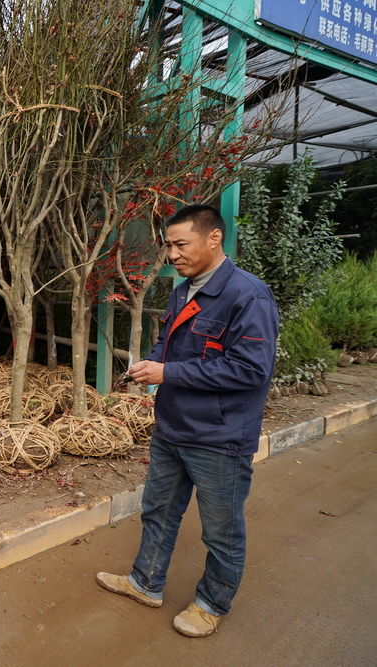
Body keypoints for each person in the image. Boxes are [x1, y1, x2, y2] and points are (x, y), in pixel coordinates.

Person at [96, 204, 279, 637]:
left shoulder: (248, 296)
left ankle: (211, 603)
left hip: (219, 438)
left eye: (181, 244)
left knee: (221, 532)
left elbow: (252, 370)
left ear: (213, 238)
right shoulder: (184, 290)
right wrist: (151, 364)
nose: (172, 254)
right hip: (173, 429)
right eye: (169, 245)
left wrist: (169, 373)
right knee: (158, 512)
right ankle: (145, 583)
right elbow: (170, 344)